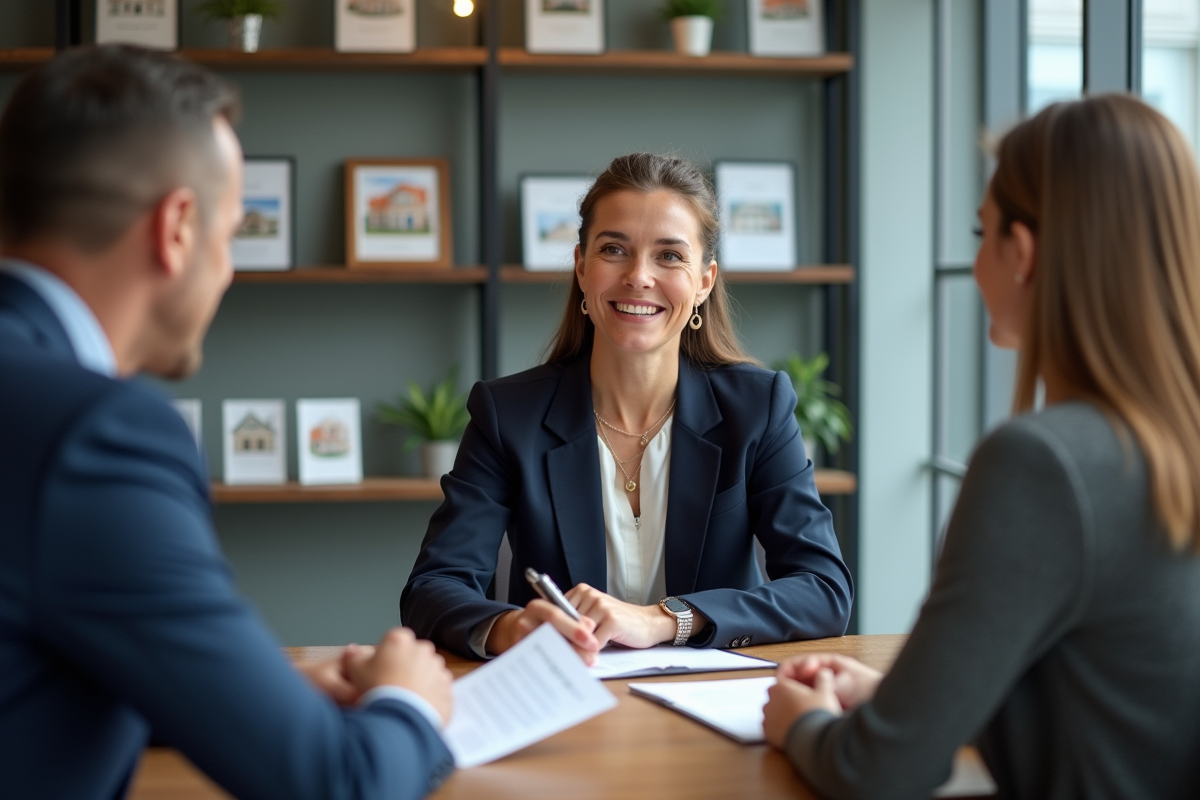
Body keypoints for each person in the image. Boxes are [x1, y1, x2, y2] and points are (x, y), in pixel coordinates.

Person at [0, 45, 456, 800]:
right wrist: (410, 702)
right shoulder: (95, 432)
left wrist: (251, 696)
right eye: (233, 232)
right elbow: (338, 784)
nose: (230, 268)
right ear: (177, 228)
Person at [762, 94, 1200, 799]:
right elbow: (1118, 704)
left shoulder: (1044, 464)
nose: (974, 261)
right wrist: (897, 700)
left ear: (1021, 252)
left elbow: (878, 773)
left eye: (981, 230)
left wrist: (802, 722)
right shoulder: (1168, 442)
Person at [402, 152, 853, 662]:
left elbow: (823, 589)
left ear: (704, 281)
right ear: (581, 268)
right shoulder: (508, 415)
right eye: (614, 249)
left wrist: (664, 620)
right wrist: (511, 627)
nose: (639, 276)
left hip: (716, 699)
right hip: (566, 699)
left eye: (669, 256)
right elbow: (433, 587)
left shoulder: (758, 407)